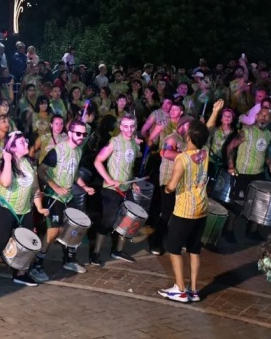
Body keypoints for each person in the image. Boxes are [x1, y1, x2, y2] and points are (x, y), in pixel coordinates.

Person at [0, 132, 49, 293]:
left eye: (25, 140)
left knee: (28, 242)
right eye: (22, 142)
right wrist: (7, 160)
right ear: (12, 148)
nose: (26, 143)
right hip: (4, 206)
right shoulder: (4, 163)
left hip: (25, 209)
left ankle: (20, 273)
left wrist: (40, 207)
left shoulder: (29, 164)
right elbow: (6, 182)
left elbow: (35, 190)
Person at [30, 120, 95, 282]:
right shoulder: (57, 151)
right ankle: (36, 264)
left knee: (74, 227)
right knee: (53, 231)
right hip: (54, 196)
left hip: (69, 195)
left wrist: (84, 186)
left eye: (84, 134)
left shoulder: (78, 151)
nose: (81, 137)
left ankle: (69, 260)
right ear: (70, 133)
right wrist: (55, 186)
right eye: (78, 133)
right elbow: (41, 171)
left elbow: (74, 173)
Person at [158, 119, 210, 303]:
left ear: (188, 137)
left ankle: (180, 289)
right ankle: (194, 290)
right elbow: (206, 130)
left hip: (185, 210)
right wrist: (215, 112)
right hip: (202, 208)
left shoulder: (182, 158)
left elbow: (172, 185)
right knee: (194, 250)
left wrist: (166, 190)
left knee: (174, 248)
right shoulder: (205, 153)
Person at [88, 114, 141, 265]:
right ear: (121, 127)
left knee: (128, 219)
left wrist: (133, 183)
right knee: (108, 221)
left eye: (132, 126)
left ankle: (118, 250)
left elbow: (129, 167)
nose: (129, 129)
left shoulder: (134, 143)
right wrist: (109, 180)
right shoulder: (114, 142)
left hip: (126, 188)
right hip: (111, 189)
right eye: (125, 126)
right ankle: (96, 253)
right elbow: (98, 161)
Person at [225, 108, 271, 241]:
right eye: (261, 115)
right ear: (257, 116)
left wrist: (270, 165)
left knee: (261, 203)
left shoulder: (268, 135)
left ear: (270, 120)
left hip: (258, 174)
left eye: (266, 116)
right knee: (238, 204)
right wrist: (231, 166)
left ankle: (252, 231)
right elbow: (230, 147)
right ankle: (228, 230)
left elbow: (265, 152)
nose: (263, 118)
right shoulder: (246, 132)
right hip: (242, 173)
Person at [149, 116, 193, 256]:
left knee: (177, 212)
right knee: (167, 212)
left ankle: (174, 242)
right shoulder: (172, 138)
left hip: (179, 182)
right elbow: (167, 153)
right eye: (190, 125)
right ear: (183, 125)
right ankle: (156, 242)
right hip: (168, 181)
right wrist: (187, 156)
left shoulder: (185, 140)